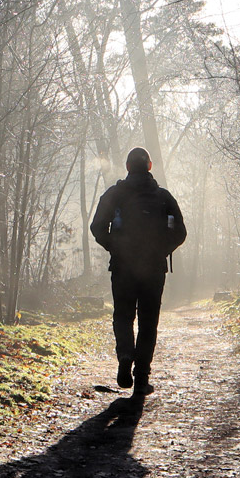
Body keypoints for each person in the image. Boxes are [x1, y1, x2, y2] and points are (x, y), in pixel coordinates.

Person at [89, 147, 187, 394]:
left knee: (122, 316)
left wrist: (115, 247)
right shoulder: (164, 197)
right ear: (150, 167)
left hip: (122, 267)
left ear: (128, 167)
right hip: (154, 269)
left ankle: (124, 355)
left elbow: (97, 226)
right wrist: (161, 250)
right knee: (148, 321)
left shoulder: (114, 194)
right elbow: (181, 233)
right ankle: (141, 377)